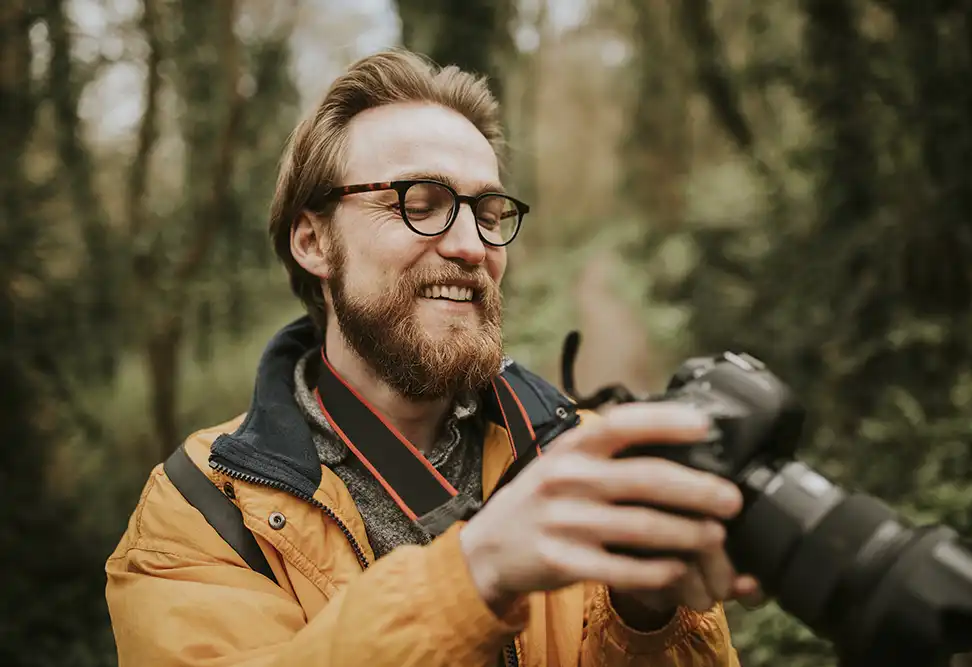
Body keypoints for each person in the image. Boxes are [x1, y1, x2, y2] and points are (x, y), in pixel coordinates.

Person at [105, 48, 758, 666]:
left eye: (489, 211)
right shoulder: (199, 507)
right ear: (313, 240)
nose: (473, 244)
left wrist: (645, 616)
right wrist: (473, 575)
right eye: (422, 204)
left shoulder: (584, 457)